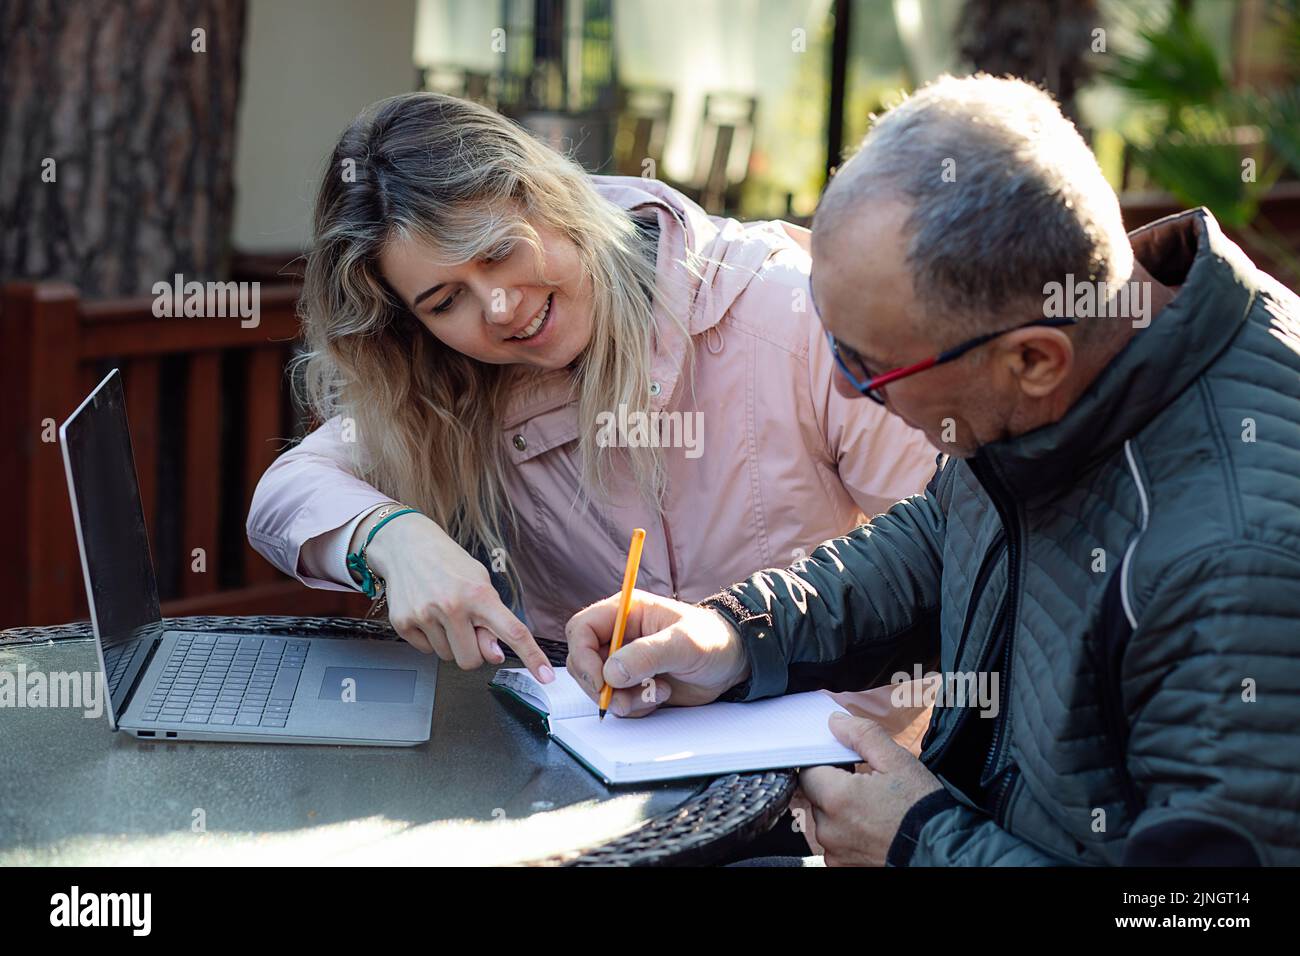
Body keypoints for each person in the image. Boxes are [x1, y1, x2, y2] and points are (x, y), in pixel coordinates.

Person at [566, 74, 1300, 865]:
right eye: (831, 340)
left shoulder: (1239, 565)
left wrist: (920, 844)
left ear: (1032, 360)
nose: (844, 386)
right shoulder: (1083, 353)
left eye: (871, 367)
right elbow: (943, 532)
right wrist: (736, 636)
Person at [246, 93, 936, 705]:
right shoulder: (454, 379)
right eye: (445, 299)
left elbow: (939, 558)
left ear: (546, 197)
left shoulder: (789, 312)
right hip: (598, 767)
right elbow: (288, 490)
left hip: (825, 777)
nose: (501, 307)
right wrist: (388, 538)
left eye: (496, 252)